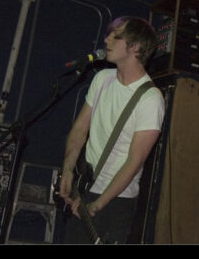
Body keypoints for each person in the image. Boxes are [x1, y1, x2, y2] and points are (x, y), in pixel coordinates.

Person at [60, 16, 165, 244]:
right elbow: (79, 128)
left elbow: (134, 161)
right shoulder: (102, 79)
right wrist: (68, 169)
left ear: (135, 47)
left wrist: (99, 203)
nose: (107, 39)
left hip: (115, 200)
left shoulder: (150, 99)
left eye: (116, 36)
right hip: (84, 186)